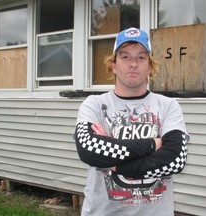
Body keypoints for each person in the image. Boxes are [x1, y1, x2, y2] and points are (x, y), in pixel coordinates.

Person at [74, 27, 190, 216]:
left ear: (150, 66)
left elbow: (175, 160)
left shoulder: (168, 106)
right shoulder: (94, 104)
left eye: (141, 57)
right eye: (125, 56)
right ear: (113, 65)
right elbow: (88, 149)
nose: (133, 64)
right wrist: (154, 144)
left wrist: (113, 161)